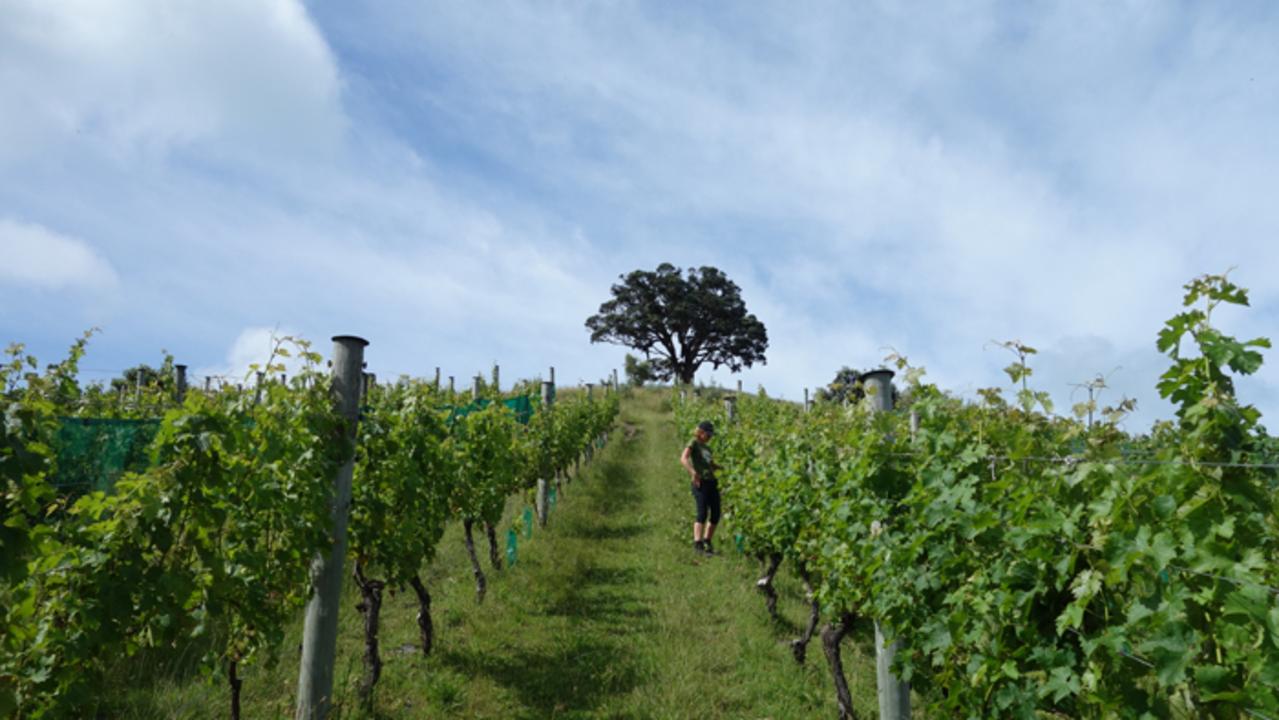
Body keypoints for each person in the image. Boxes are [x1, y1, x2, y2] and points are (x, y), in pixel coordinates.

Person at [680, 420, 721, 556]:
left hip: (712, 482)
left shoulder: (708, 448)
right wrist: (693, 472)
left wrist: (719, 467)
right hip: (700, 482)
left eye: (711, 435)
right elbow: (683, 458)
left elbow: (710, 464)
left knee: (716, 513)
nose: (709, 437)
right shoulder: (694, 443)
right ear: (701, 432)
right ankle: (698, 545)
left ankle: (707, 541)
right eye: (708, 435)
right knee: (702, 513)